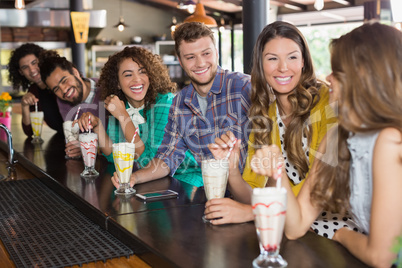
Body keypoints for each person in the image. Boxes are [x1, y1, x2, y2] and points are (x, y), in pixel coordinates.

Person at [251, 22, 402, 267]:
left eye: (338, 72)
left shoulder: (390, 139)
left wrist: (339, 234)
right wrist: (276, 170)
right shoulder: (338, 135)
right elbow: (296, 226)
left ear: (364, 77)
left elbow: (381, 256)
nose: (328, 78)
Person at [205, 21, 357, 238]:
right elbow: (254, 194)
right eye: (272, 58)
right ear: (261, 64)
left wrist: (252, 213)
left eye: (292, 57)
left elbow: (322, 190)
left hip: (337, 229)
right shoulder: (265, 114)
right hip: (289, 227)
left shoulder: (328, 103)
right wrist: (231, 170)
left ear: (304, 61)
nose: (283, 67)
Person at [111, 22, 251, 188]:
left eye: (206, 53)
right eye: (190, 57)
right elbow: (166, 158)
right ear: (180, 61)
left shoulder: (243, 87)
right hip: (212, 195)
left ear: (217, 52)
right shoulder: (180, 103)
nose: (200, 63)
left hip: (256, 197)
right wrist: (134, 178)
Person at [76, 46, 202, 186]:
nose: (137, 79)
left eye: (142, 72)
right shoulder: (120, 105)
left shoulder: (166, 104)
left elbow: (149, 161)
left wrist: (124, 117)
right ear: (117, 83)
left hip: (185, 179)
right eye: (128, 74)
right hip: (150, 180)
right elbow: (114, 156)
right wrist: (97, 126)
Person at [39, 54, 106, 159]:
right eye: (56, 89)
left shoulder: (106, 89)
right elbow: (76, 138)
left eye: (64, 81)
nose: (64, 90)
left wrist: (88, 147)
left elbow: (120, 139)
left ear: (75, 73)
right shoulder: (63, 102)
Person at [7, 43, 63, 136]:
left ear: (41, 61)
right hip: (62, 138)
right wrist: (24, 106)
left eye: (34, 63)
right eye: (25, 67)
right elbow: (29, 132)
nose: (32, 70)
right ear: (21, 72)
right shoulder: (33, 91)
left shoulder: (60, 80)